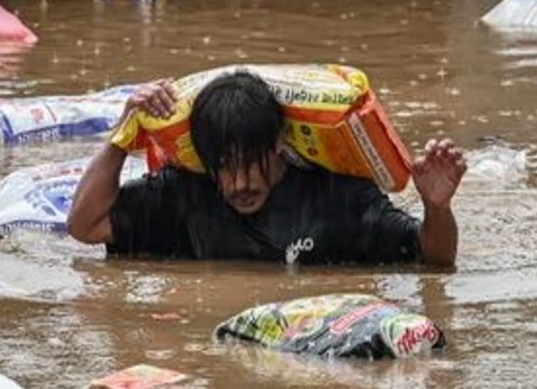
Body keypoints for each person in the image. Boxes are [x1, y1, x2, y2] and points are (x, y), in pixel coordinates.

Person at [66, 70, 467, 267]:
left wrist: (436, 208)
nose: (239, 183)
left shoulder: (338, 199)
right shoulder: (185, 195)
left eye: (249, 163)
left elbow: (433, 260)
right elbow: (85, 226)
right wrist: (123, 134)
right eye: (224, 167)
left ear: (279, 143)